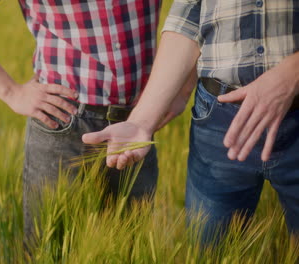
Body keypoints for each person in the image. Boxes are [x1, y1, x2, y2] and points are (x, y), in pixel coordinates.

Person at [0, 0, 192, 249]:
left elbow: (200, 8)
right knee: (49, 247)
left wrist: (181, 91)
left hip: (138, 124)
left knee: (128, 247)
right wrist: (11, 92)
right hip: (63, 124)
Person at [83, 0, 299, 243]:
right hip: (218, 116)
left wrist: (292, 72)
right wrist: (141, 122)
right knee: (207, 247)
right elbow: (188, 15)